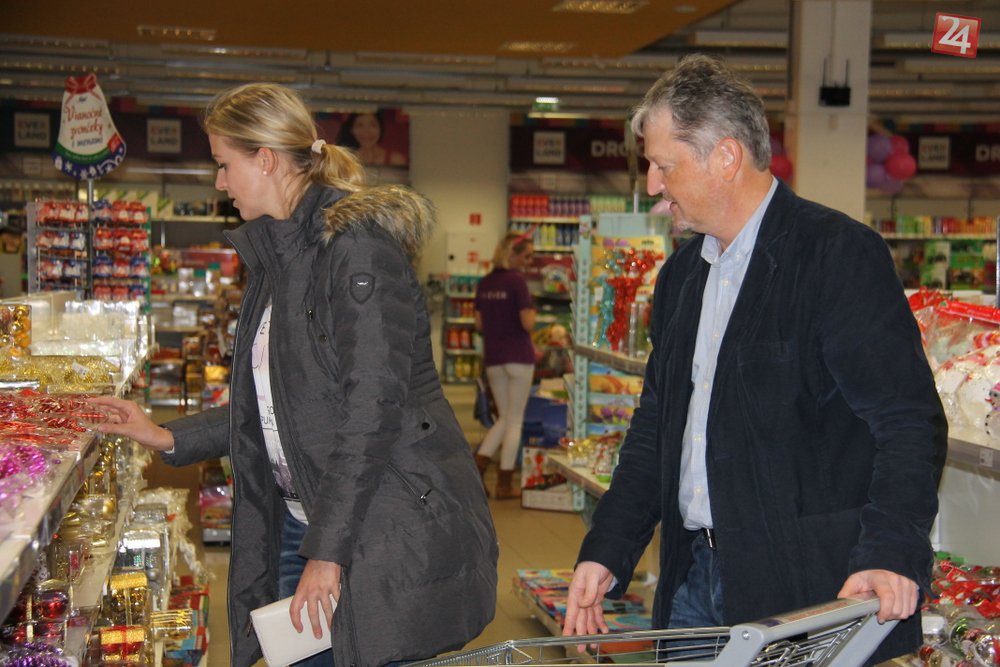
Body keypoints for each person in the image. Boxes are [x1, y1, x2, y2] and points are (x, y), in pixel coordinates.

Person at [91, 82, 498, 667]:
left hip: (378, 528)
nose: (220, 183)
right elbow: (279, 401)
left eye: (223, 164)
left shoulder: (355, 250)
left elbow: (371, 408)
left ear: (265, 159)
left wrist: (328, 553)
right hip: (305, 523)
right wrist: (165, 435)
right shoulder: (277, 260)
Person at [562, 54, 947, 665]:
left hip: (803, 593)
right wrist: (608, 547)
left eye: (664, 166)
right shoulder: (682, 276)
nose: (653, 185)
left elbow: (907, 421)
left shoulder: (835, 255)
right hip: (693, 579)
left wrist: (891, 549)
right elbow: (657, 426)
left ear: (726, 157)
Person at [472, 231, 537, 499]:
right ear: (514, 254)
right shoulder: (517, 282)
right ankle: (504, 483)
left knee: (504, 418)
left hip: (494, 358)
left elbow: (478, 324)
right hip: (519, 357)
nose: (530, 262)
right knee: (514, 421)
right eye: (528, 256)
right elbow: (527, 323)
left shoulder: (485, 282)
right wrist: (534, 312)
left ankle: (478, 466)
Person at [336, 111, 407, 167]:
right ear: (351, 130)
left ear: (380, 128)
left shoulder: (396, 160)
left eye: (373, 125)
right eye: (360, 125)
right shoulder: (346, 160)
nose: (366, 131)